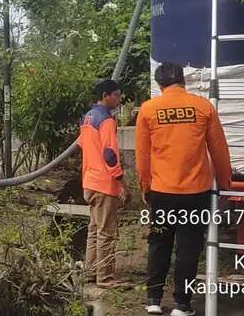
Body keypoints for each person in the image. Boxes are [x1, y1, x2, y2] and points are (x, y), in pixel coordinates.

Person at [135, 62, 232, 316]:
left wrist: (145, 186)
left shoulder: (148, 110)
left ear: (159, 85)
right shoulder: (203, 107)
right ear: (183, 81)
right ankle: (182, 304)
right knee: (189, 248)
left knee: (159, 243)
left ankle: (154, 300)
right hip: (195, 194)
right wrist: (225, 185)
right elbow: (219, 150)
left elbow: (143, 156)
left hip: (162, 192)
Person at [78, 79, 129, 289]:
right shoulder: (106, 120)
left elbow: (83, 145)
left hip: (89, 181)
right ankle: (105, 278)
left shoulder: (87, 118)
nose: (119, 99)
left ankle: (90, 273)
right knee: (106, 232)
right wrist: (121, 182)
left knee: (94, 230)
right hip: (103, 183)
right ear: (106, 95)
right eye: (116, 95)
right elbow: (109, 154)